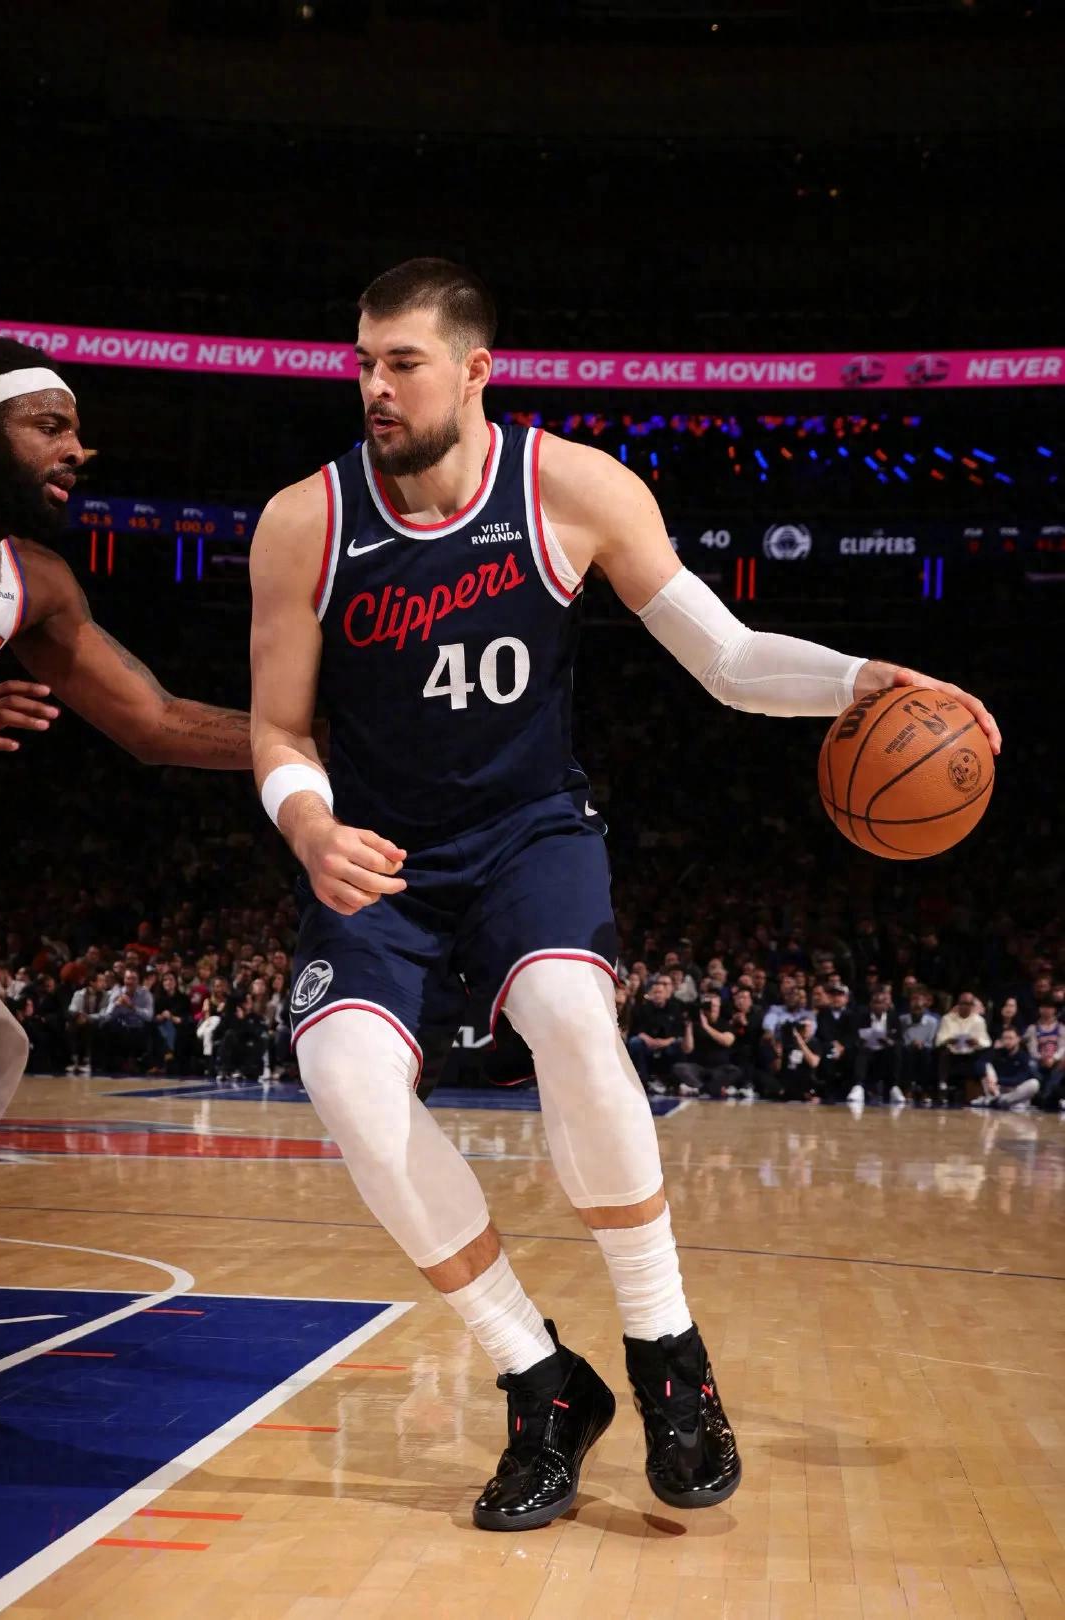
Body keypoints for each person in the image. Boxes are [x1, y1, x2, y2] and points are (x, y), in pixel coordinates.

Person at [248, 257, 998, 1532]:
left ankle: (667, 1355)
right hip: (382, 853)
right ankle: (540, 1382)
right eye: (363, 361)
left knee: (570, 1017)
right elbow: (277, 728)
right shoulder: (302, 522)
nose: (374, 385)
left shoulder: (572, 488)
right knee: (344, 1081)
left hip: (529, 833)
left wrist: (864, 678)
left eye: (402, 363)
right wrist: (307, 823)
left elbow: (729, 658)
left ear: (476, 371)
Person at [0, 336, 252, 1148]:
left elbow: (155, 722)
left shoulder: (34, 580)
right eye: (49, 427)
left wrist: (322, 741)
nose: (79, 450)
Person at [672, 993, 741, 1098]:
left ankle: (698, 1088)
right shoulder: (694, 1024)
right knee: (679, 1068)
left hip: (719, 1068)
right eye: (709, 1006)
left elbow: (727, 1041)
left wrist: (706, 1027)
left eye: (715, 1006)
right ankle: (707, 1088)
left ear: (719, 1007)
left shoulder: (724, 1024)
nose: (712, 1009)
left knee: (734, 1071)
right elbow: (687, 1049)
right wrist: (688, 1027)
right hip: (698, 1069)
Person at [627, 972, 684, 1094]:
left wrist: (666, 1041)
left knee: (677, 1046)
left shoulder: (675, 1008)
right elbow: (636, 1029)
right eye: (655, 993)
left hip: (667, 1043)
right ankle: (644, 1080)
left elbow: (678, 1032)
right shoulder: (643, 1008)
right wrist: (648, 1039)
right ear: (651, 995)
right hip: (648, 1043)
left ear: (666, 995)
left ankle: (671, 1081)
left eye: (660, 992)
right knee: (634, 1042)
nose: (657, 995)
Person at [934, 990, 992, 1107]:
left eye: (969, 1004)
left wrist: (977, 1042)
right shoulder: (947, 1019)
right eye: (963, 1003)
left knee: (983, 1055)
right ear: (958, 1004)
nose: (966, 1006)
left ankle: (977, 1094)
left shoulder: (979, 1021)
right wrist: (948, 1040)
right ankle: (942, 1086)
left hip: (970, 1053)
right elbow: (938, 1040)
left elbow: (987, 1042)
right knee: (943, 1054)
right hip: (952, 1053)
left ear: (972, 1006)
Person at [849, 988, 903, 1106]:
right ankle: (858, 1087)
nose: (878, 1006)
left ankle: (894, 1087)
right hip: (868, 1051)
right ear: (870, 1004)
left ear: (886, 1005)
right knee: (860, 1051)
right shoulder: (862, 1017)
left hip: (885, 1052)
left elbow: (899, 1040)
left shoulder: (894, 1018)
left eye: (881, 1003)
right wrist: (861, 1041)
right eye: (875, 1002)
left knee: (896, 1050)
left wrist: (888, 1041)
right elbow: (854, 1037)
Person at [970, 1027, 1039, 1111]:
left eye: (1010, 1038)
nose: (1007, 1041)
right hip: (997, 1089)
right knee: (987, 1066)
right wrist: (990, 1077)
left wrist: (997, 1080)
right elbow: (979, 1064)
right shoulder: (998, 1052)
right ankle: (998, 1100)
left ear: (1018, 1039)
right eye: (1005, 1038)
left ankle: (997, 1101)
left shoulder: (1024, 1056)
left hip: (1015, 1090)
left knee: (1034, 1083)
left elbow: (1018, 1079)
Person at [899, 986, 940, 1104]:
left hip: (925, 1049)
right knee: (906, 1052)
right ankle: (908, 1088)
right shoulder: (902, 1020)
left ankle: (924, 1090)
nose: (916, 1003)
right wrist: (911, 1043)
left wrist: (922, 1044)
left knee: (926, 1054)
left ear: (925, 1003)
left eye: (919, 999)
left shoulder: (932, 1022)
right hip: (907, 1049)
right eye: (914, 999)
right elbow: (901, 1039)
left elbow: (931, 1041)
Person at [1024, 997, 1065, 1110]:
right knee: (1031, 1064)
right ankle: (1042, 1092)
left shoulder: (1061, 1027)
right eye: (1044, 1007)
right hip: (1039, 1060)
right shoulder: (1033, 1028)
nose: (1047, 1010)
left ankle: (1047, 1095)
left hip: (1055, 1061)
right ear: (1039, 1009)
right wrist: (1041, 1058)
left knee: (1063, 1064)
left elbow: (1062, 1047)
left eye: (1049, 1007)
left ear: (1054, 1010)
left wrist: (1054, 1058)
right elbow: (1032, 1049)